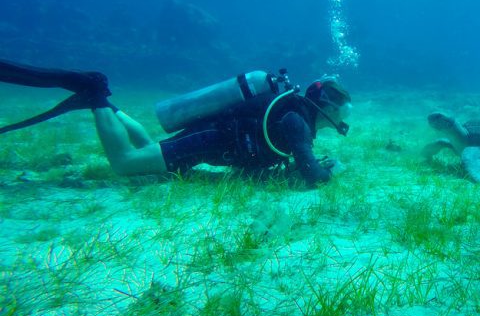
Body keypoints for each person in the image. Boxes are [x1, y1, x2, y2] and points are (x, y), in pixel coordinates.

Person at [0, 59, 351, 187]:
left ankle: (106, 105)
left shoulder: (294, 114)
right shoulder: (297, 122)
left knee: (149, 151)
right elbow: (313, 178)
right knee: (126, 163)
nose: (343, 119)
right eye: (342, 111)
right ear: (326, 108)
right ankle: (95, 94)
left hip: (213, 137)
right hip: (209, 140)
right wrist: (330, 171)